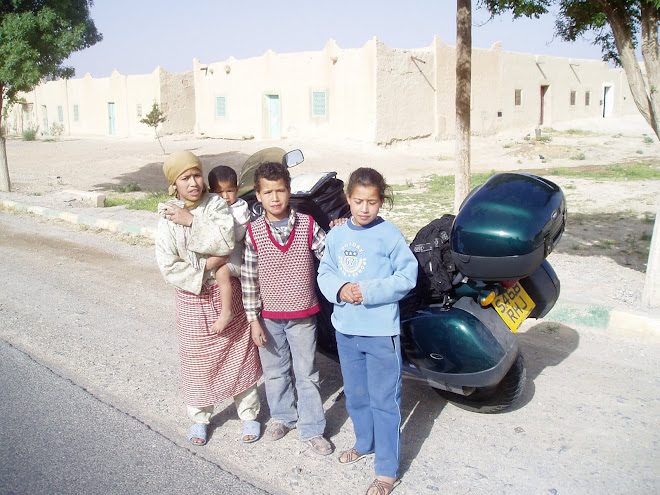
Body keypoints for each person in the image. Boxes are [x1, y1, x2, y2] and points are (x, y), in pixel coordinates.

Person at [317, 167, 418, 495]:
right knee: (357, 396)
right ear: (347, 199)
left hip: (380, 333)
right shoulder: (336, 236)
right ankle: (365, 442)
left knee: (385, 400)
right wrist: (341, 288)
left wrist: (368, 291)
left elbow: (407, 276)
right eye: (358, 201)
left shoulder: (389, 235)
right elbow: (325, 272)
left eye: (371, 202)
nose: (364, 208)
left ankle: (387, 470)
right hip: (346, 331)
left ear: (380, 201)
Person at [155, 150, 262, 447]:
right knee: (197, 361)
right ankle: (200, 416)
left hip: (227, 293)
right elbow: (167, 263)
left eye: (196, 175)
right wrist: (205, 267)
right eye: (185, 178)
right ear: (174, 184)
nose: (193, 183)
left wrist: (191, 220)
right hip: (192, 298)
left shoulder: (215, 204)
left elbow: (227, 242)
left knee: (240, 354)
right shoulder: (166, 214)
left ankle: (249, 412)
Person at [241, 160, 333, 456]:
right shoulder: (254, 233)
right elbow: (249, 279)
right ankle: (283, 417)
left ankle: (312, 428)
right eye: (268, 192)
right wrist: (253, 320)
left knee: (306, 372)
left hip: (303, 315)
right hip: (268, 318)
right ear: (258, 196)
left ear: (289, 191)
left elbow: (328, 253)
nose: (275, 198)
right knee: (276, 371)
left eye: (280, 190)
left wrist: (343, 232)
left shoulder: (307, 225)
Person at [207, 165, 250, 334]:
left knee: (221, 273)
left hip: (236, 257)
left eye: (229, 191)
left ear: (237, 189)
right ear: (211, 192)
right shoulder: (211, 206)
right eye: (219, 192)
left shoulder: (240, 208)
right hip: (221, 253)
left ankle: (227, 312)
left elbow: (236, 236)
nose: (225, 197)